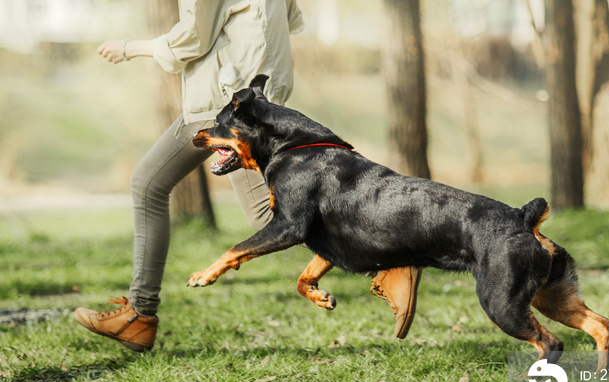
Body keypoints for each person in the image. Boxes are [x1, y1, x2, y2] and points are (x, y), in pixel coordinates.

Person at [74, 0, 421, 352]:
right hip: (256, 92)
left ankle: (138, 317)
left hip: (227, 103)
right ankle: (388, 255)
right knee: (258, 212)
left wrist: (131, 48)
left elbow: (193, 37)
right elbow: (290, 17)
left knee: (155, 186)